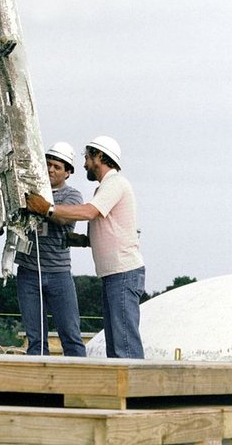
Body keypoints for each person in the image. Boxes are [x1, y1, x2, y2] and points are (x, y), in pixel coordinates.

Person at [25, 135, 145, 359]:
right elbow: (98, 235)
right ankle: (127, 392)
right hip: (115, 275)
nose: (85, 164)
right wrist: (76, 239)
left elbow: (89, 212)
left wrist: (47, 209)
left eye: (87, 157)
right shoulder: (105, 188)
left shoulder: (115, 183)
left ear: (99, 156)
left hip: (123, 274)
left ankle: (135, 392)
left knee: (124, 345)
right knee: (117, 344)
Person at [15, 142, 86, 356]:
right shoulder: (28, 190)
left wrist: (45, 209)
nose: (51, 170)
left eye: (57, 166)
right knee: (35, 339)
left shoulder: (72, 196)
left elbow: (65, 218)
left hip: (59, 274)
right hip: (28, 272)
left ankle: (79, 384)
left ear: (68, 173)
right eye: (48, 164)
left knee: (71, 336)